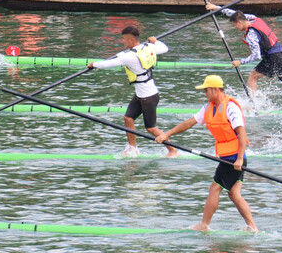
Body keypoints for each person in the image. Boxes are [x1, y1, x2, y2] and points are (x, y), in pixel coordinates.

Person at [154, 75, 257, 233]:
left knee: (215, 188)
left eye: (207, 90)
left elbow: (241, 134)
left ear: (216, 89)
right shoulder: (209, 107)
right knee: (234, 194)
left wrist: (239, 159)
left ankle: (204, 224)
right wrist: (167, 134)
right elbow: (189, 122)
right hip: (227, 157)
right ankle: (252, 227)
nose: (205, 93)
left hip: (234, 158)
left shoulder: (230, 107)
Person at [207, 5, 282, 112]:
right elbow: (234, 13)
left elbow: (256, 55)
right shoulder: (253, 18)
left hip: (272, 57)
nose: (235, 28)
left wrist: (240, 61)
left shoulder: (251, 35)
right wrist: (216, 8)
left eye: (235, 25)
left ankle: (251, 104)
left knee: (252, 77)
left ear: (239, 22)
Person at [88, 26, 175, 157]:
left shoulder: (129, 56)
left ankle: (172, 150)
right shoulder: (148, 48)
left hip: (149, 96)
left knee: (151, 128)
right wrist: (155, 41)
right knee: (128, 118)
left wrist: (93, 64)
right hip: (141, 94)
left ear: (131, 40)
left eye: (124, 39)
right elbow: (164, 48)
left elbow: (108, 64)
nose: (123, 42)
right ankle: (132, 148)